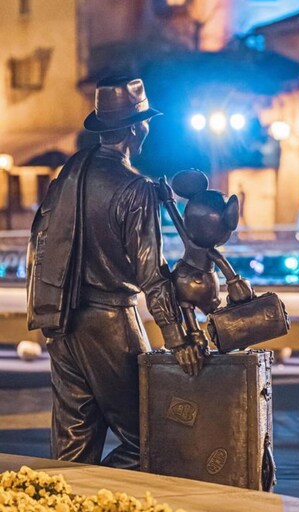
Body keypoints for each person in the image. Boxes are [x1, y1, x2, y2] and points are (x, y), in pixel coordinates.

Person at [27, 76, 202, 470]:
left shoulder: (71, 173)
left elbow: (41, 240)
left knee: (73, 444)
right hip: (110, 324)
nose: (148, 128)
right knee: (152, 438)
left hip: (62, 320)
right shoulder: (136, 189)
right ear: (135, 128)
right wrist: (177, 338)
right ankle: (108, 491)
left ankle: (72, 495)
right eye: (146, 121)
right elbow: (151, 274)